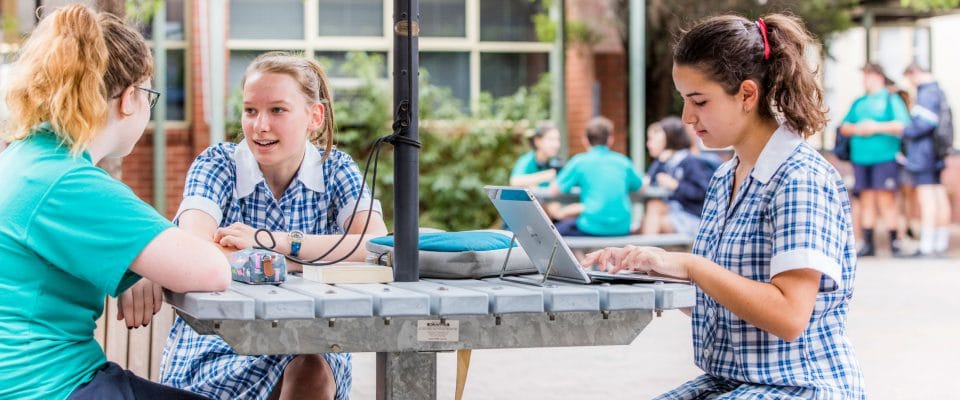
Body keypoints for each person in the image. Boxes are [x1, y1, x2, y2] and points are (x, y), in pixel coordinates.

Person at [583, 14, 865, 398]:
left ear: (747, 95)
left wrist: (691, 266)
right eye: (684, 100)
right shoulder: (723, 179)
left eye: (699, 101)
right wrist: (651, 269)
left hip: (799, 386)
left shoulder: (800, 179)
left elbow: (788, 316)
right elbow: (725, 296)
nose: (687, 117)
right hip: (733, 381)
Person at [0, 5, 229, 400]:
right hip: (51, 386)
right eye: (149, 96)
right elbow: (212, 271)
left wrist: (144, 264)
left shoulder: (24, 158)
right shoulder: (70, 183)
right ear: (129, 98)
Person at [158, 51, 388, 400]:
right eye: (250, 110)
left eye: (277, 110)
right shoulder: (218, 163)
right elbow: (194, 250)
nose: (259, 125)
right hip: (217, 344)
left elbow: (376, 244)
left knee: (310, 365)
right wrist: (316, 258)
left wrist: (271, 243)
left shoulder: (336, 167)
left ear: (315, 116)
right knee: (308, 367)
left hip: (312, 341)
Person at [839, 63, 911, 257]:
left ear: (878, 76)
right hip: (861, 158)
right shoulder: (859, 102)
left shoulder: (890, 99)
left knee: (885, 198)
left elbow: (902, 124)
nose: (864, 80)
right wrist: (859, 129)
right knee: (866, 199)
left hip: (884, 157)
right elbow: (844, 126)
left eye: (868, 75)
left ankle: (894, 241)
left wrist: (875, 127)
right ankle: (868, 243)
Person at [551, 116, 642, 236]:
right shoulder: (623, 161)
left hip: (592, 226)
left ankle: (578, 256)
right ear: (610, 139)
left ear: (585, 140)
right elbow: (640, 186)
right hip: (622, 227)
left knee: (555, 234)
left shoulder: (579, 161)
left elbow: (554, 190)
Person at [902, 62, 953, 256]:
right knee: (938, 195)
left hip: (924, 153)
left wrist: (905, 130)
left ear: (914, 73)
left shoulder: (926, 92)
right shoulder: (938, 91)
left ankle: (927, 245)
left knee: (927, 197)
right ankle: (939, 243)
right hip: (936, 152)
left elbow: (924, 123)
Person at [640, 116, 716, 236]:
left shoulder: (689, 161)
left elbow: (703, 192)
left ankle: (645, 252)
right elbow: (650, 179)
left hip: (691, 216)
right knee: (650, 215)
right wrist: (660, 161)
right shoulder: (666, 161)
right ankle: (646, 251)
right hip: (673, 212)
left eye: (658, 138)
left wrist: (676, 186)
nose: (650, 144)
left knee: (653, 209)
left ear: (669, 138)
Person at [510, 122, 580, 220]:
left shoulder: (554, 164)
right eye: (551, 139)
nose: (556, 144)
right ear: (537, 141)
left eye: (557, 140)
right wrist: (546, 176)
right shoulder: (528, 160)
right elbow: (515, 181)